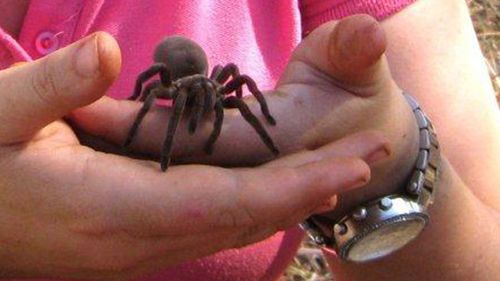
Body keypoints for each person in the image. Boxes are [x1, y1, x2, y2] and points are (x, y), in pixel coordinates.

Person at [0, 1, 498, 281]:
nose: (214, 106)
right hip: (182, 71)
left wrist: (392, 164)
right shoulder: (170, 83)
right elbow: (155, 91)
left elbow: (239, 92)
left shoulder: (222, 86)